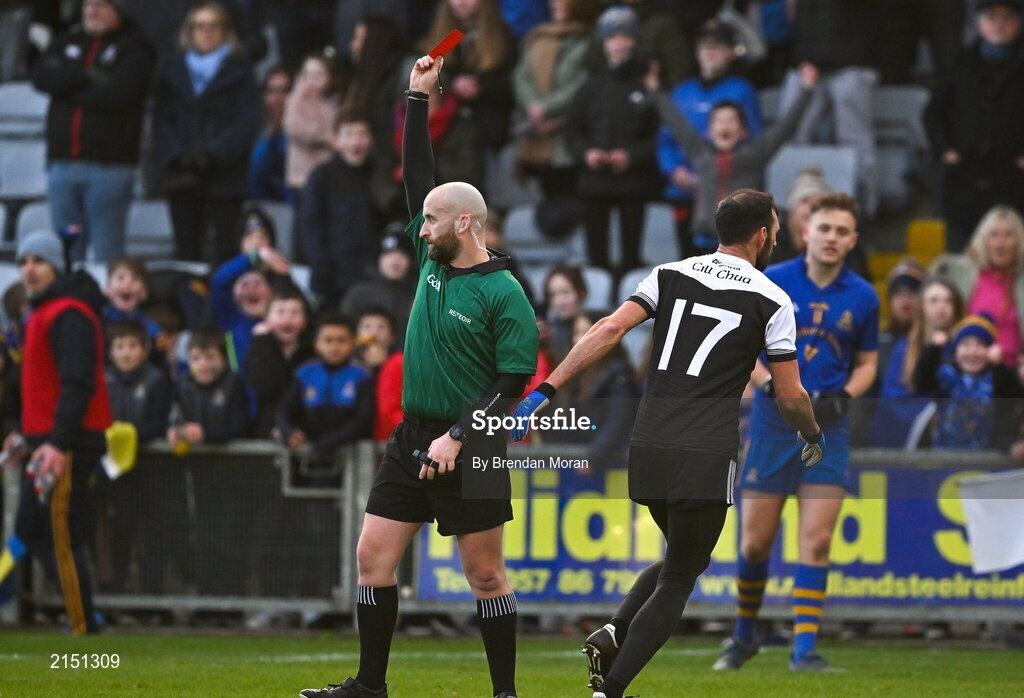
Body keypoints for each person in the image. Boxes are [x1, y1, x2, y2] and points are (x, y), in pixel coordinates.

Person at [508, 189, 823, 698]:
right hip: (705, 448)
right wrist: (812, 432)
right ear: (763, 235)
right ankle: (608, 689)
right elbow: (790, 394)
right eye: (776, 234)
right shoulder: (773, 299)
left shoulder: (669, 273)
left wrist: (546, 389)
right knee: (680, 577)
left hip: (649, 441)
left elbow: (609, 329)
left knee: (683, 556)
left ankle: (614, 629)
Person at [299, 54, 539, 698]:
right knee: (373, 559)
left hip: (473, 443)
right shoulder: (434, 259)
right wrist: (414, 97)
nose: (419, 226)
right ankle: (370, 686)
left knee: (485, 575)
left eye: (431, 219)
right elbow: (418, 177)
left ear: (464, 223)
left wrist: (460, 436)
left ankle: (505, 695)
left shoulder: (505, 291)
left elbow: (513, 382)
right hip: (413, 438)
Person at [716, 192, 878, 673]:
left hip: (829, 431)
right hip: (770, 427)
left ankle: (804, 649)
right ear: (806, 231)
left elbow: (868, 363)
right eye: (823, 228)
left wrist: (846, 395)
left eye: (841, 231)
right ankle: (744, 633)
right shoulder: (770, 280)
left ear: (853, 240)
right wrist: (769, 388)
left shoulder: (864, 295)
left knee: (818, 542)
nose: (831, 238)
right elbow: (742, 351)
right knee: (754, 545)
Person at [6, 230, 112, 635]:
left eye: (39, 261)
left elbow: (76, 383)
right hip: (47, 440)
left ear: (57, 266)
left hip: (64, 443)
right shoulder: (46, 313)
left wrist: (56, 442)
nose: (29, 270)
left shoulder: (68, 314)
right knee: (32, 530)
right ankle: (84, 615)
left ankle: (83, 626)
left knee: (59, 534)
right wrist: (26, 435)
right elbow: (43, 386)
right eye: (23, 261)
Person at [31, 0, 156, 263]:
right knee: (64, 253)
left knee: (107, 252)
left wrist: (66, 88)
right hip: (62, 164)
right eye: (88, 4)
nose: (92, 11)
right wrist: (88, 75)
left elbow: (118, 94)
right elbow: (41, 76)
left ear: (117, 9)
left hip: (109, 167)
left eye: (100, 5)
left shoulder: (134, 46)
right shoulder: (66, 40)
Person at [654, 64, 817, 252]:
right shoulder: (700, 152)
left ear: (743, 131)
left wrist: (806, 90)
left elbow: (786, 126)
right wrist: (655, 89)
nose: (725, 125)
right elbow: (675, 121)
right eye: (719, 120)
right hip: (704, 238)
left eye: (731, 120)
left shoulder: (755, 153)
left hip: (743, 241)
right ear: (709, 131)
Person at [152, 1, 261, 264]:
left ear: (226, 31)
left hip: (225, 177)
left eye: (214, 26)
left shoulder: (241, 71)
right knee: (186, 252)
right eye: (199, 26)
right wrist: (179, 156)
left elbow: (246, 123)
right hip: (182, 177)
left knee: (225, 251)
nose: (206, 32)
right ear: (189, 31)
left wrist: (212, 155)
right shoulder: (171, 70)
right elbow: (161, 121)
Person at [657, 18, 763, 258]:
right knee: (688, 262)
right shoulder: (682, 91)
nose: (710, 51)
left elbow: (754, 142)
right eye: (704, 45)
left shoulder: (742, 90)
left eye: (717, 45)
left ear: (730, 52)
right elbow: (666, 140)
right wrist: (675, 170)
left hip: (727, 197)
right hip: (684, 193)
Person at [566, 6, 660, 274]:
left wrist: (631, 156)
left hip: (634, 181)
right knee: (596, 258)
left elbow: (657, 134)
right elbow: (573, 129)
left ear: (634, 41)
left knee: (633, 257)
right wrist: (587, 154)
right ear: (603, 42)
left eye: (624, 36)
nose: (618, 44)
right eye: (612, 37)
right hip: (594, 182)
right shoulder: (590, 85)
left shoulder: (646, 84)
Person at [924, 0, 1024, 250]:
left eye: (1007, 18)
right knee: (961, 258)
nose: (999, 25)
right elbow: (933, 112)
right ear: (979, 24)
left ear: (1018, 24)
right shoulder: (958, 63)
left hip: (1015, 179)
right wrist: (945, 151)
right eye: (992, 17)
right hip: (963, 179)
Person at [776, 0, 882, 219]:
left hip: (852, 63)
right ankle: (788, 214)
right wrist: (803, 59)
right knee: (789, 138)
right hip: (809, 64)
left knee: (856, 143)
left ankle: (862, 215)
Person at [299, 112, 380, 308]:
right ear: (336, 140)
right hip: (332, 275)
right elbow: (309, 225)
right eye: (349, 134)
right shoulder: (322, 176)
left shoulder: (378, 174)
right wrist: (320, 265)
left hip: (372, 272)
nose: (356, 142)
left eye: (362, 134)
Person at [930, 205, 1024, 368]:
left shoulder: (1019, 281)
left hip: (1015, 375)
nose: (1000, 243)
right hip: (968, 371)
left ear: (1019, 242)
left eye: (1008, 235)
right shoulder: (963, 276)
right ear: (983, 241)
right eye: (993, 235)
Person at [420, 0, 517, 156]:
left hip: (490, 135)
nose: (460, 3)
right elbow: (427, 74)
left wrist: (480, 88)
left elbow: (511, 82)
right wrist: (452, 85)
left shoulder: (499, 35)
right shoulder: (449, 36)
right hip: (447, 137)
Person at [914, 313, 1024, 449]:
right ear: (956, 352)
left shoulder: (997, 378)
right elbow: (923, 383)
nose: (972, 352)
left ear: (990, 351)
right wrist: (933, 350)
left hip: (986, 458)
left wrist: (999, 366)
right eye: (966, 344)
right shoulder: (947, 376)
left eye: (980, 345)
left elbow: (1012, 395)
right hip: (945, 454)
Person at [275, 312, 374, 461]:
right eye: (328, 340)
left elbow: (363, 419)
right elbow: (284, 409)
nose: (335, 347)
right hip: (307, 455)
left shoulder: (361, 375)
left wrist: (327, 444)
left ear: (353, 343)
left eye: (342, 341)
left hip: (349, 457)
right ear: (317, 344)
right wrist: (288, 431)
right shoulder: (305, 373)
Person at [244, 289, 314, 437]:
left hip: (306, 431)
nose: (288, 319)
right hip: (267, 430)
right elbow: (266, 388)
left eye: (295, 313)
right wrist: (263, 342)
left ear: (305, 321)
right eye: (280, 312)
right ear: (267, 319)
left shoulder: (313, 354)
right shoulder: (258, 349)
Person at [211, 243, 290, 368]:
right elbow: (220, 278)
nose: (251, 290)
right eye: (245, 285)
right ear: (234, 296)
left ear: (271, 292)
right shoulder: (231, 319)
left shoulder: (283, 318)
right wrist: (256, 255)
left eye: (257, 284)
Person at [342, 228, 417, 345]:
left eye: (402, 254)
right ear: (378, 259)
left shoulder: (419, 292)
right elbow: (344, 332)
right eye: (388, 254)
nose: (395, 260)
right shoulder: (359, 293)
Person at [284, 51, 343, 195]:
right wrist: (323, 136)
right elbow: (293, 125)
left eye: (318, 75)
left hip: (327, 172)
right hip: (304, 175)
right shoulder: (298, 99)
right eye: (308, 74)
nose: (312, 80)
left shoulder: (333, 101)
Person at [249, 66, 293, 203]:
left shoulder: (304, 131)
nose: (277, 99)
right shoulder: (254, 127)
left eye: (284, 91)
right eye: (271, 91)